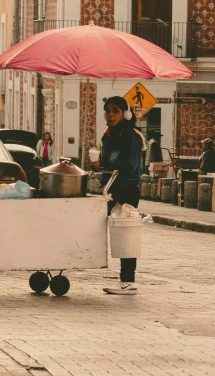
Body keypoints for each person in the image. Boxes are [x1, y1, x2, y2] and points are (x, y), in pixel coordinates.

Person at [91, 96, 143, 296]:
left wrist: (107, 166)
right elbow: (108, 163)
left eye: (115, 111)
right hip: (111, 189)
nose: (110, 114)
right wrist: (98, 166)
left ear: (125, 114)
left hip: (127, 189)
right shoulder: (108, 135)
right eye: (107, 110)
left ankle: (128, 281)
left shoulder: (129, 135)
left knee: (126, 233)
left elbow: (129, 165)